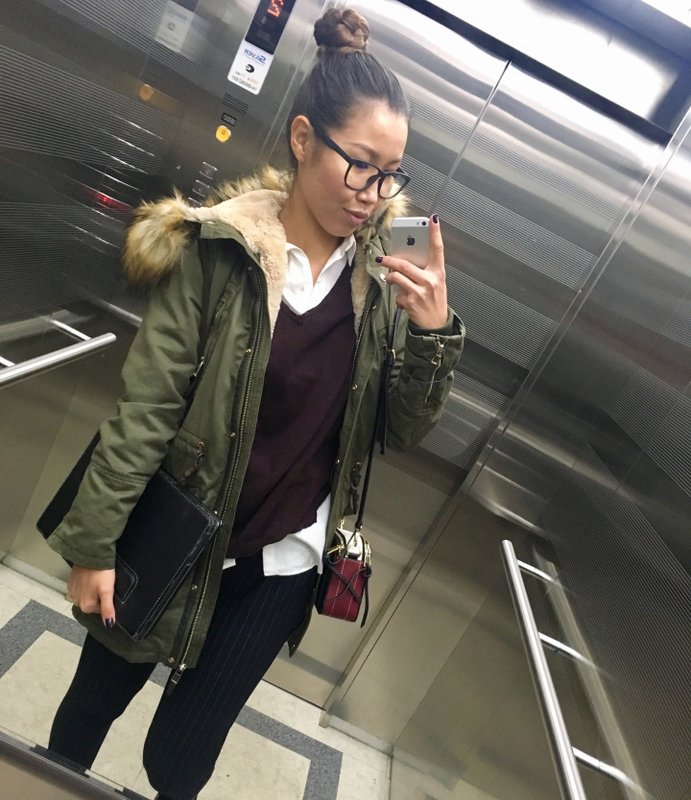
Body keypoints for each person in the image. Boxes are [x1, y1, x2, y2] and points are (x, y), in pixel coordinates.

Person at [45, 8, 464, 800]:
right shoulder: (217, 252)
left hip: (282, 563)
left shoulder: (383, 282)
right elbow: (147, 410)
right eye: (360, 166)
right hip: (171, 532)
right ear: (303, 138)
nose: (374, 195)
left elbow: (400, 430)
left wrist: (432, 332)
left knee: (179, 761)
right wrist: (94, 545)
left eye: (391, 175)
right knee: (88, 709)